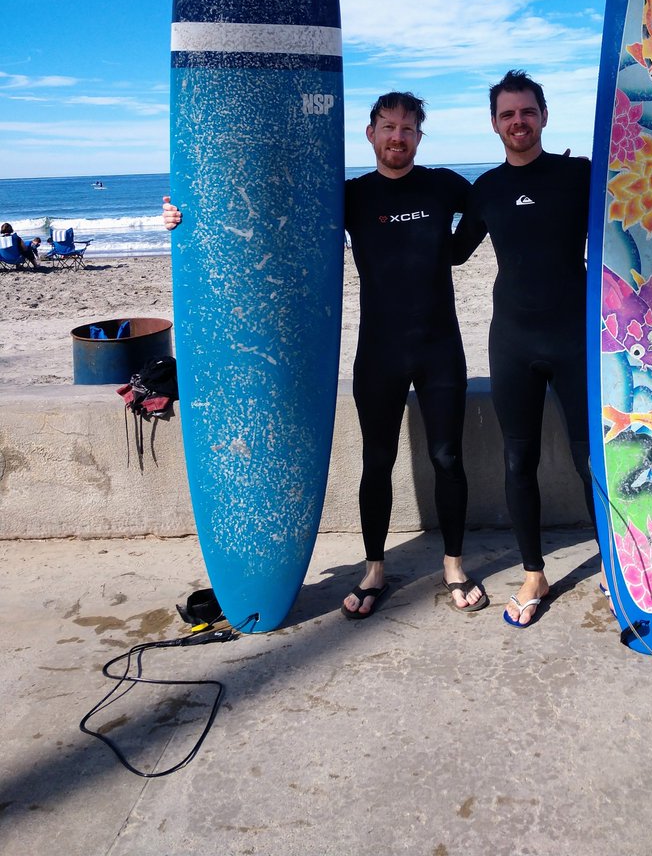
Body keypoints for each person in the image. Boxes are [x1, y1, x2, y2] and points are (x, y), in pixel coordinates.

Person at [452, 69, 652, 628]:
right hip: (511, 342)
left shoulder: (580, 175)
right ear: (494, 124)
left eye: (527, 111)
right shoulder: (486, 190)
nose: (518, 122)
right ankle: (534, 575)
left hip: (577, 338)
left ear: (544, 116)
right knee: (516, 459)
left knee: (593, 459)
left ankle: (617, 566)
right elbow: (450, 253)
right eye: (507, 114)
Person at [163, 91, 487, 620]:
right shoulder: (350, 196)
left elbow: (492, 206)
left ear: (419, 138)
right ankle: (375, 569)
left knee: (447, 458)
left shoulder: (443, 185)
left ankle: (453, 565)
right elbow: (266, 215)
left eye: (408, 129)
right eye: (388, 126)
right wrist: (188, 217)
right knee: (376, 462)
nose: (398, 137)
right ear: (370, 133)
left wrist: (458, 249)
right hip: (379, 352)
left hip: (440, 350)